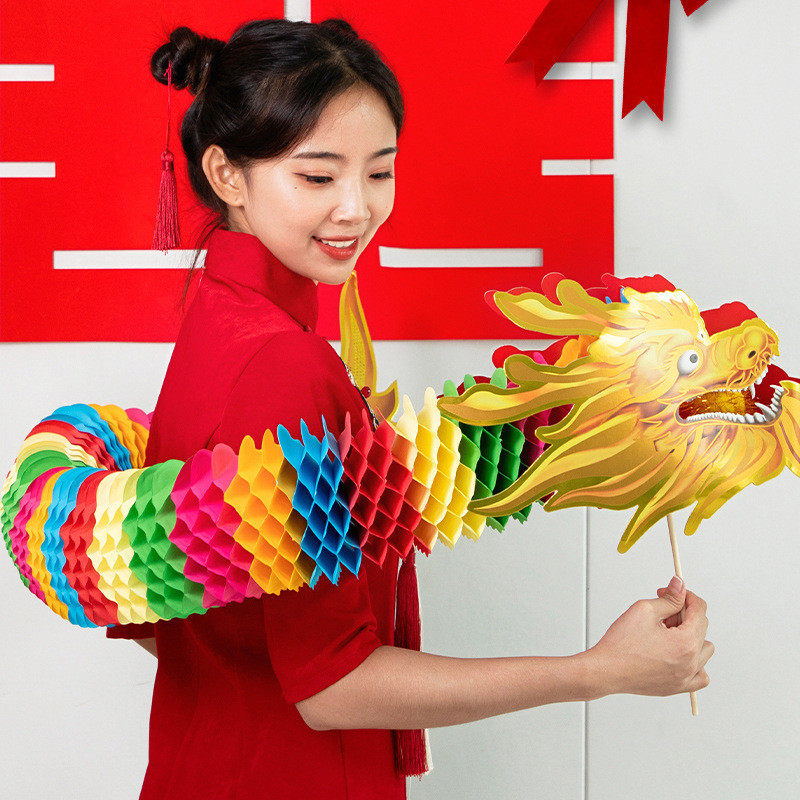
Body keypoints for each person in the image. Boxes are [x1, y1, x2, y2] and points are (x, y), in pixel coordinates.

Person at [107, 18, 715, 800]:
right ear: (226, 174)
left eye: (380, 172)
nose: (356, 209)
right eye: (317, 177)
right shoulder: (281, 364)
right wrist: (599, 671)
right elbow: (331, 687)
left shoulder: (221, 320)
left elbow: (179, 622)